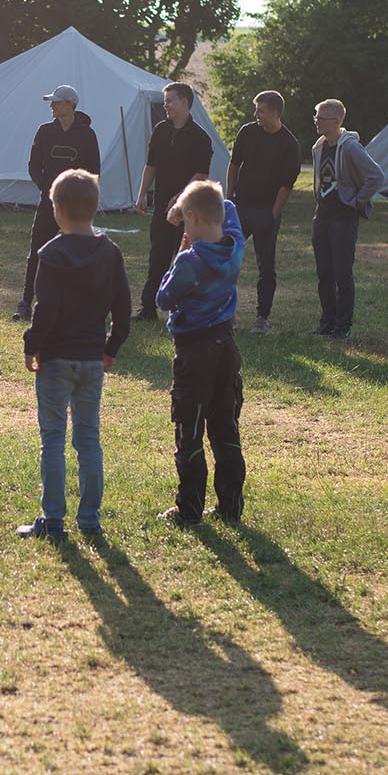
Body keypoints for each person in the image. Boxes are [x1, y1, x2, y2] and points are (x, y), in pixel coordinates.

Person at [17, 169, 131, 540]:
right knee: (88, 439)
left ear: (58, 210)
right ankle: (90, 520)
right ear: (94, 207)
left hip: (56, 360)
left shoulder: (50, 254)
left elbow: (46, 310)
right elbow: (123, 310)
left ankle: (53, 521)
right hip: (92, 359)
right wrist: (111, 348)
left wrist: (32, 344)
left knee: (53, 438)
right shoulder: (110, 253)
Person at [155, 180, 245, 525]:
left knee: (189, 430)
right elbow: (227, 208)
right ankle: (230, 506)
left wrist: (180, 253)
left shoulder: (189, 262)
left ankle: (189, 508)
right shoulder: (234, 247)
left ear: (191, 218)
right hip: (226, 348)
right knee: (225, 428)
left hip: (194, 354)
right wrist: (192, 205)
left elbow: (163, 298)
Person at [14, 84, 102, 322]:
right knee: (38, 252)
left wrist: (83, 197)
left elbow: (93, 171)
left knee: (78, 253)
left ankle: (79, 305)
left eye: (56, 101)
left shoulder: (87, 135)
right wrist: (47, 188)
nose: (51, 105)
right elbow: (34, 166)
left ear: (70, 104)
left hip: (76, 205)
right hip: (49, 203)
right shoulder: (44, 132)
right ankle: (25, 303)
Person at [134, 83, 214, 321]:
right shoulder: (160, 130)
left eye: (170, 101)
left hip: (189, 210)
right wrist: (141, 194)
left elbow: (201, 174)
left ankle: (183, 308)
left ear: (185, 102)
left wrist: (180, 197)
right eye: (165, 101)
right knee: (158, 254)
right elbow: (151, 165)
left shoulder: (200, 138)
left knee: (185, 258)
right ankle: (148, 307)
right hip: (161, 206)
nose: (166, 105)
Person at [305, 98, 384, 339]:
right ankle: (327, 321)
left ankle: (343, 325)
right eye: (316, 117)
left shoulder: (350, 147)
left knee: (342, 272)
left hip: (343, 217)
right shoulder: (320, 146)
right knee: (324, 272)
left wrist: (358, 200)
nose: (316, 122)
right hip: (322, 215)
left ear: (336, 121)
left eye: (321, 118)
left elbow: (376, 176)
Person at [226, 90, 302, 336]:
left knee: (266, 267)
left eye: (260, 110)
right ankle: (226, 314)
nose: (256, 114)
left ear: (275, 112)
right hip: (241, 206)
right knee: (226, 259)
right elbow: (234, 164)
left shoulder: (289, 144)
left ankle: (262, 318)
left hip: (266, 210)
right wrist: (229, 198)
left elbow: (286, 185)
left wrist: (273, 214)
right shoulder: (247, 132)